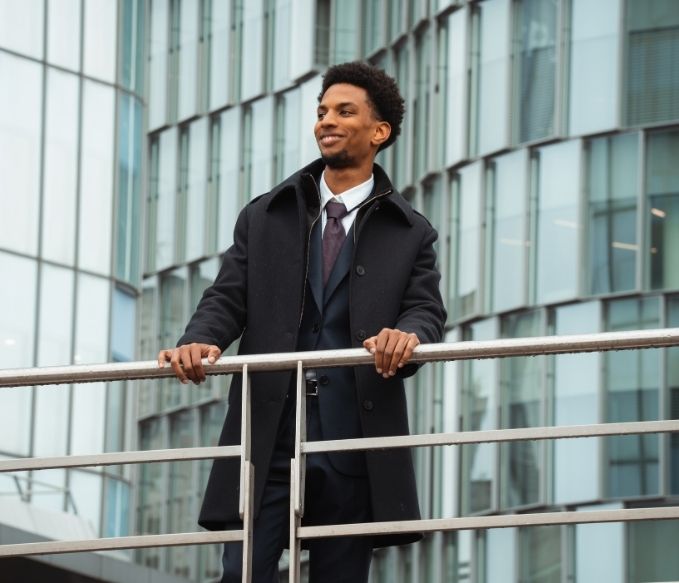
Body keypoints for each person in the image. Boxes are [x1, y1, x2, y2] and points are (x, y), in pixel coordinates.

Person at [158, 61, 446, 583]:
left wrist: (409, 334)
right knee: (243, 573)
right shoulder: (265, 215)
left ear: (380, 132)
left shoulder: (412, 233)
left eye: (343, 111)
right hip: (268, 434)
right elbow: (227, 296)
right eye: (321, 112)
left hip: (352, 439)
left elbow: (425, 310)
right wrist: (199, 340)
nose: (325, 121)